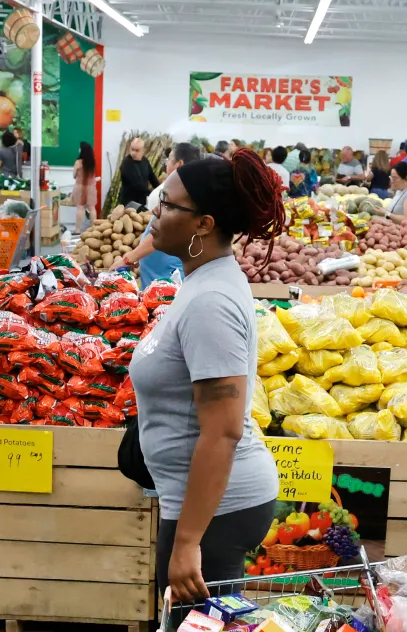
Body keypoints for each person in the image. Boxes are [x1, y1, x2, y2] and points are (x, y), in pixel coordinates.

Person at [130, 149, 282, 600]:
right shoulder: (198, 280)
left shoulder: (210, 301)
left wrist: (188, 542)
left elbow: (224, 432)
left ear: (204, 224)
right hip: (201, 505)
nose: (155, 213)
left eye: (169, 205)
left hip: (218, 512)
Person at [121, 143, 200, 288]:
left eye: (169, 159)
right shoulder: (187, 191)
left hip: (167, 278)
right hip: (160, 276)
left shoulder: (175, 193)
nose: (166, 163)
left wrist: (129, 258)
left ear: (179, 164)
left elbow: (163, 230)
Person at [118, 138, 158, 208]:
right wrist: (152, 193)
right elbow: (136, 185)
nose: (133, 153)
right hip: (129, 203)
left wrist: (159, 189)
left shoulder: (145, 161)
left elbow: (152, 176)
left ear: (143, 151)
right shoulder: (126, 163)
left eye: (137, 150)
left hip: (142, 201)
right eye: (132, 149)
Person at [73, 142, 98, 227]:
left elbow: (74, 175)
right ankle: (93, 229)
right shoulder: (92, 162)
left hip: (80, 187)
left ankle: (77, 230)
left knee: (80, 208)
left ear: (82, 150)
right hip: (91, 188)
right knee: (92, 208)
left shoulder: (78, 162)